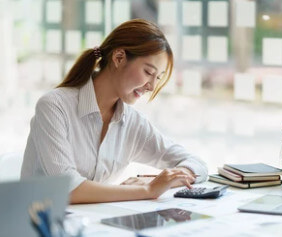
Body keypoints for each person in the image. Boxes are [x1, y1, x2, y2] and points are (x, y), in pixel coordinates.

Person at [21, 19, 208, 204]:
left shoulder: (132, 122)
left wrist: (155, 181)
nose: (151, 86)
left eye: (158, 78)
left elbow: (197, 165)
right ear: (119, 57)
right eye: (148, 72)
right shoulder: (54, 107)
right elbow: (67, 188)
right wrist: (147, 189)